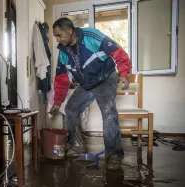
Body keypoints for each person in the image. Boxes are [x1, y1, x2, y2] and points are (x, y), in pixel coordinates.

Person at [50, 17, 131, 170]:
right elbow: (61, 79)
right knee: (71, 108)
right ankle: (76, 145)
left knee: (108, 112)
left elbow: (118, 52)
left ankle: (114, 154)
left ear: (69, 30)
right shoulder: (63, 51)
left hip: (105, 77)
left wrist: (124, 74)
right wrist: (57, 102)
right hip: (87, 83)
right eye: (55, 36)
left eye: (59, 35)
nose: (57, 39)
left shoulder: (91, 36)